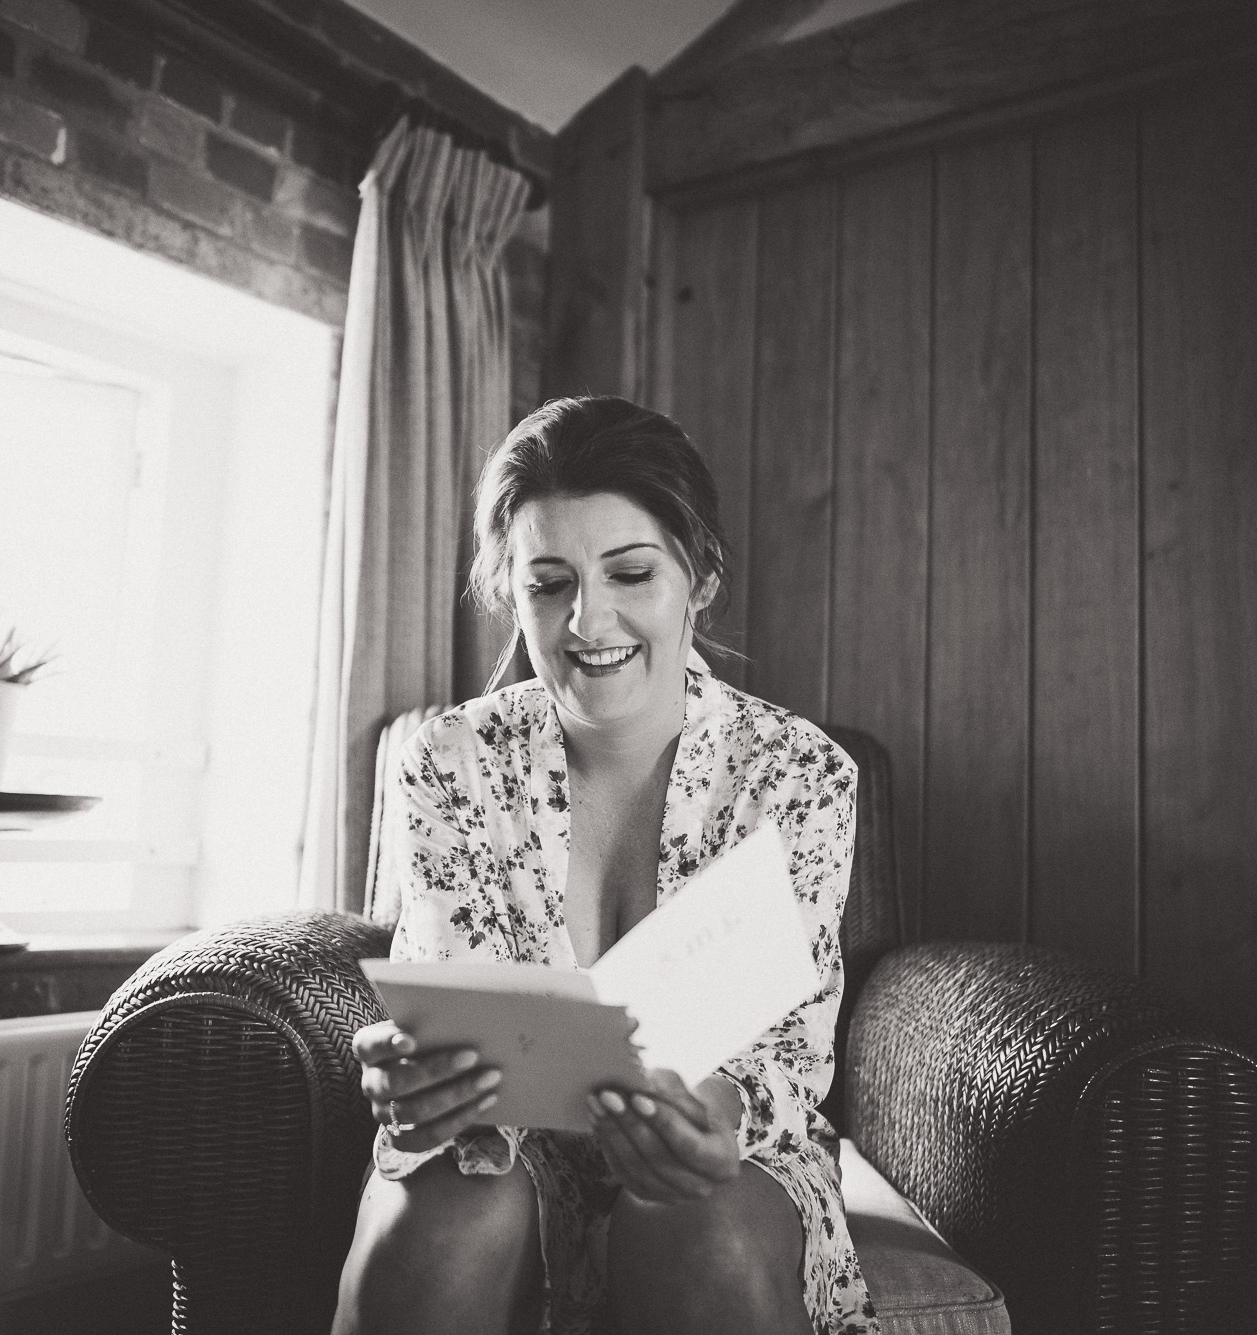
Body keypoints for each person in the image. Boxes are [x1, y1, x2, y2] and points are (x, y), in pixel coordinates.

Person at [331, 397, 875, 1335]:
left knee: (697, 1225)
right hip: (502, 1148)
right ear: (513, 592)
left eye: (630, 572)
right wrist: (418, 1078)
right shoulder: (450, 760)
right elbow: (455, 1004)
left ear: (699, 576)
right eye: (549, 585)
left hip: (726, 1152)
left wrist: (706, 1119)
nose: (589, 620)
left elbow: (782, 1048)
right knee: (450, 1218)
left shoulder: (800, 772)